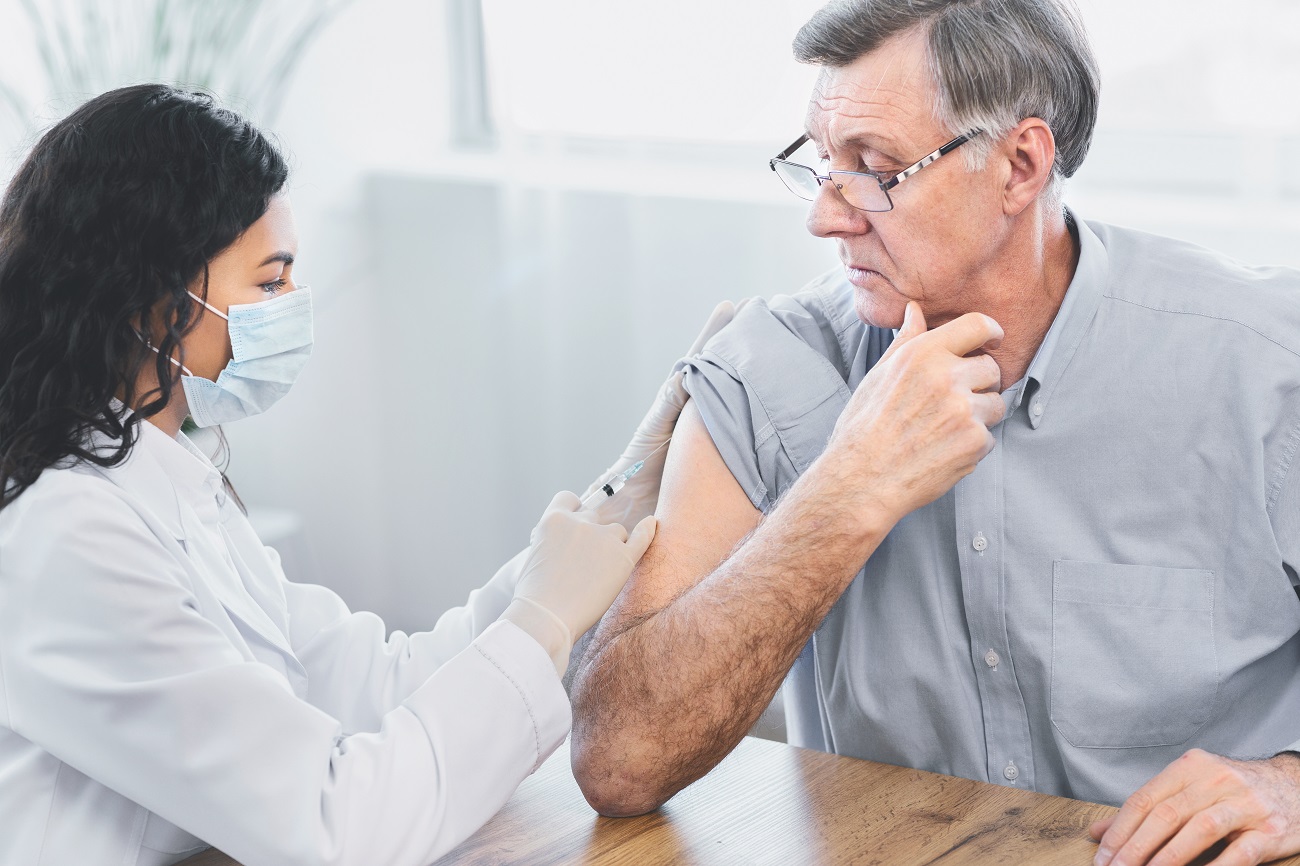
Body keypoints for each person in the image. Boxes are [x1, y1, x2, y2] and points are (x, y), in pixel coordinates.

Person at [569, 2, 1300, 865]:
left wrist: (1289, 784)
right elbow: (617, 760)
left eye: (874, 168)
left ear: (1021, 165)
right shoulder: (770, 371)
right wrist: (848, 490)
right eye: (821, 163)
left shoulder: (1264, 366)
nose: (825, 217)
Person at [0, 84, 731, 866]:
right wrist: (542, 621)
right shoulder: (63, 536)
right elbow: (339, 828)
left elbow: (378, 683)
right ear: (151, 297)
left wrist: (617, 498)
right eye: (271, 282)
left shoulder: (172, 480)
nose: (293, 307)